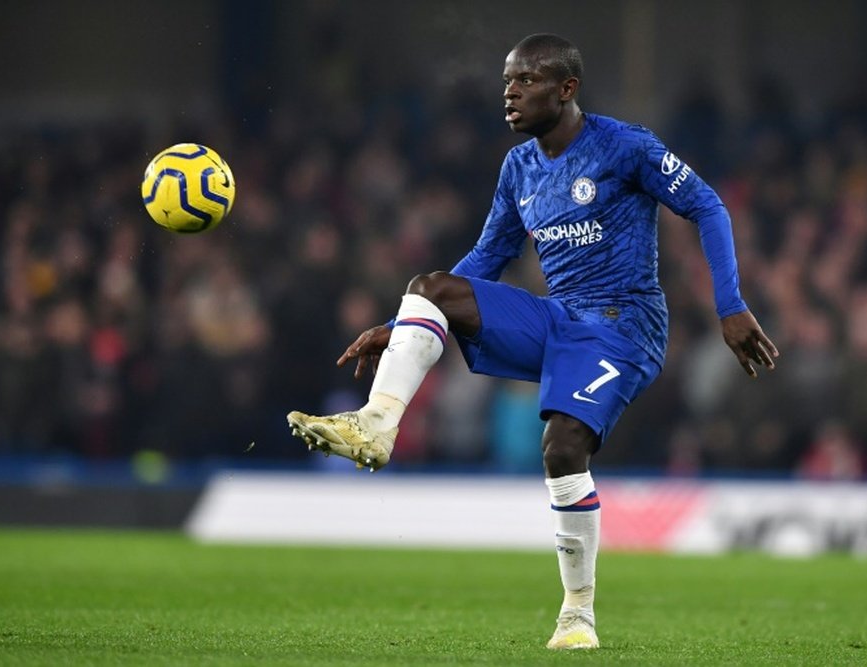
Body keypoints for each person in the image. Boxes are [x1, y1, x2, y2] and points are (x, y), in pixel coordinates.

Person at [288, 33, 778, 650]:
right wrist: (408, 321)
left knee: (562, 447)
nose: (510, 94)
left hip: (624, 326)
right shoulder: (518, 167)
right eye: (505, 83)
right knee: (430, 286)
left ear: (567, 89)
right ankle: (376, 424)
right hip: (558, 317)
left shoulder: (623, 146)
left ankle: (578, 614)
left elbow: (708, 205)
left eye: (525, 81)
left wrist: (729, 305)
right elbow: (490, 255)